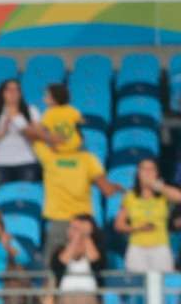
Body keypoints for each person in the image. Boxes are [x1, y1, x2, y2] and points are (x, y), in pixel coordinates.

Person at [29, 85, 124, 262]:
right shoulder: (89, 159)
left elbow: (31, 135)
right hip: (83, 223)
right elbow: (107, 190)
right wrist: (118, 188)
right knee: (87, 267)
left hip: (58, 223)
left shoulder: (49, 156)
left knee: (54, 269)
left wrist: (50, 137)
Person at [114, 157, 181, 274]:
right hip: (137, 248)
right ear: (138, 173)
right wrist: (137, 228)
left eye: (151, 169)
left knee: (163, 282)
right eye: (144, 169)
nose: (147, 173)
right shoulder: (130, 196)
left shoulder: (163, 195)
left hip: (160, 247)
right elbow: (119, 225)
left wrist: (158, 186)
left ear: (157, 173)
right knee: (137, 283)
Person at [0, 78, 39, 186]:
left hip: (26, 161)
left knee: (27, 194)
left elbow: (36, 138)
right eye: (8, 90)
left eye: (16, 90)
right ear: (2, 93)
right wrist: (2, 132)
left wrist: (18, 120)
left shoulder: (31, 110)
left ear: (20, 93)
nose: (13, 93)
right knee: (2, 195)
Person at [50, 214, 105, 304]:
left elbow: (96, 261)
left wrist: (86, 236)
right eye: (73, 228)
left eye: (79, 228)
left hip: (89, 296)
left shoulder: (97, 248)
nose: (76, 231)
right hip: (66, 296)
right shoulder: (60, 249)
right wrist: (75, 239)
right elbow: (61, 263)